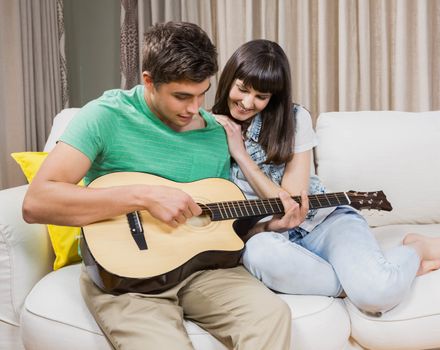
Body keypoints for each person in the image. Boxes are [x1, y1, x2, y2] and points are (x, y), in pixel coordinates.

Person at [22, 23, 291, 350]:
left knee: (271, 317)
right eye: (181, 96)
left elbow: (216, 227)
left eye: (202, 93)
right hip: (127, 281)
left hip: (203, 271)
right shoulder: (105, 116)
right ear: (149, 81)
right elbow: (36, 202)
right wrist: (143, 196)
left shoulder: (214, 133)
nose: (195, 109)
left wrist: (267, 227)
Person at [212, 39, 440, 314]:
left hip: (323, 222)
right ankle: (371, 279)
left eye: (260, 97)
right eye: (242, 89)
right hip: (271, 237)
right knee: (258, 254)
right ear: (229, 79)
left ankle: (415, 248)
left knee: (377, 295)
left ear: (273, 98)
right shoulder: (208, 128)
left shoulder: (294, 118)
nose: (246, 102)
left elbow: (288, 202)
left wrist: (241, 155)